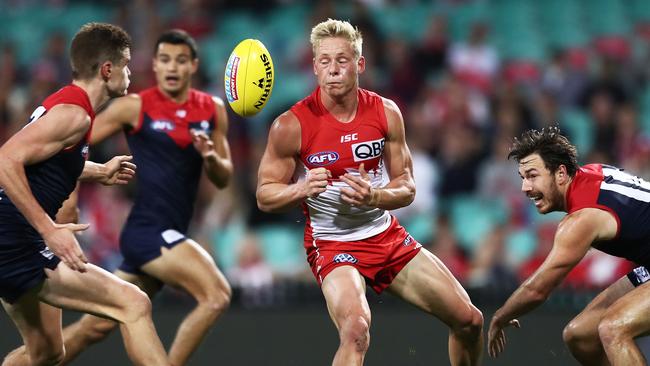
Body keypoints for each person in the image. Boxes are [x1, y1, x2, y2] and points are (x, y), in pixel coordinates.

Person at [256, 18, 483, 366]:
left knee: (469, 320)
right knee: (356, 330)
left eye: (342, 60)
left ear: (359, 64)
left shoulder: (385, 112)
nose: (333, 70)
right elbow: (264, 195)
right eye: (325, 61)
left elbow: (406, 186)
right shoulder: (291, 124)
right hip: (332, 244)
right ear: (315, 66)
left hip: (383, 235)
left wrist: (374, 197)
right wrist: (300, 189)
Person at [4, 29, 233, 366]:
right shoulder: (76, 115)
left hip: (13, 237)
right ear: (107, 70)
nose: (130, 73)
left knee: (47, 352)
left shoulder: (68, 103)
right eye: (126, 65)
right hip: (15, 241)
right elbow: (6, 161)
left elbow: (45, 158)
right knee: (133, 303)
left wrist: (97, 170)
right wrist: (49, 229)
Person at [488, 126, 650, 365]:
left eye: (533, 176)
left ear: (561, 173)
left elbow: (537, 290)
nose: (525, 188)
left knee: (613, 328)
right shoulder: (591, 173)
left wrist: (500, 317)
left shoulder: (581, 219)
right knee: (579, 335)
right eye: (523, 178)